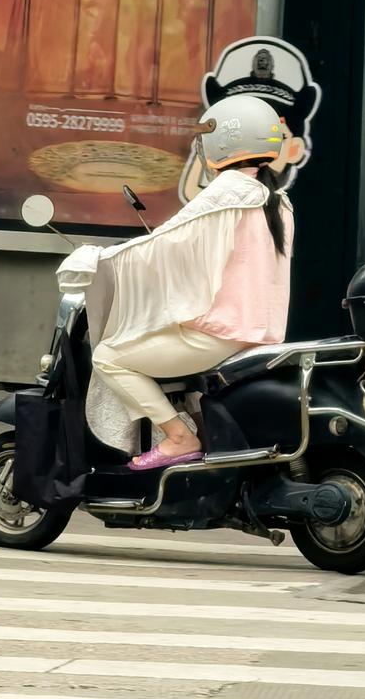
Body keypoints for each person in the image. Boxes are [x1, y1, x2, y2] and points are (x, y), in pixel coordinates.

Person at [88, 95, 294, 471]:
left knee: (108, 356)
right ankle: (199, 432)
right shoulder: (277, 200)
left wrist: (96, 261)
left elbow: (166, 242)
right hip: (258, 333)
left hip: (218, 334)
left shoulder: (227, 192)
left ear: (222, 141)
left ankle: (179, 437)